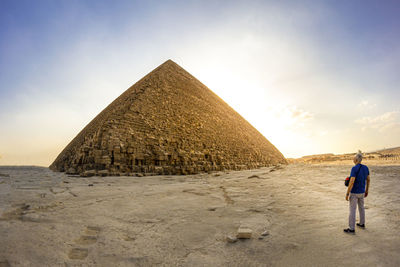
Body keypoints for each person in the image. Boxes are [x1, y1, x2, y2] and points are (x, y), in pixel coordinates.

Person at [344, 151, 370, 234]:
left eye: (354, 158)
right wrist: (366, 190)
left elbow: (351, 182)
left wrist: (347, 193)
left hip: (354, 192)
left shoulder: (354, 168)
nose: (353, 159)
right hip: (362, 192)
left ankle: (351, 228)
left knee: (352, 210)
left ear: (356, 159)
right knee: (361, 208)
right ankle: (362, 223)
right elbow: (368, 179)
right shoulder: (366, 168)